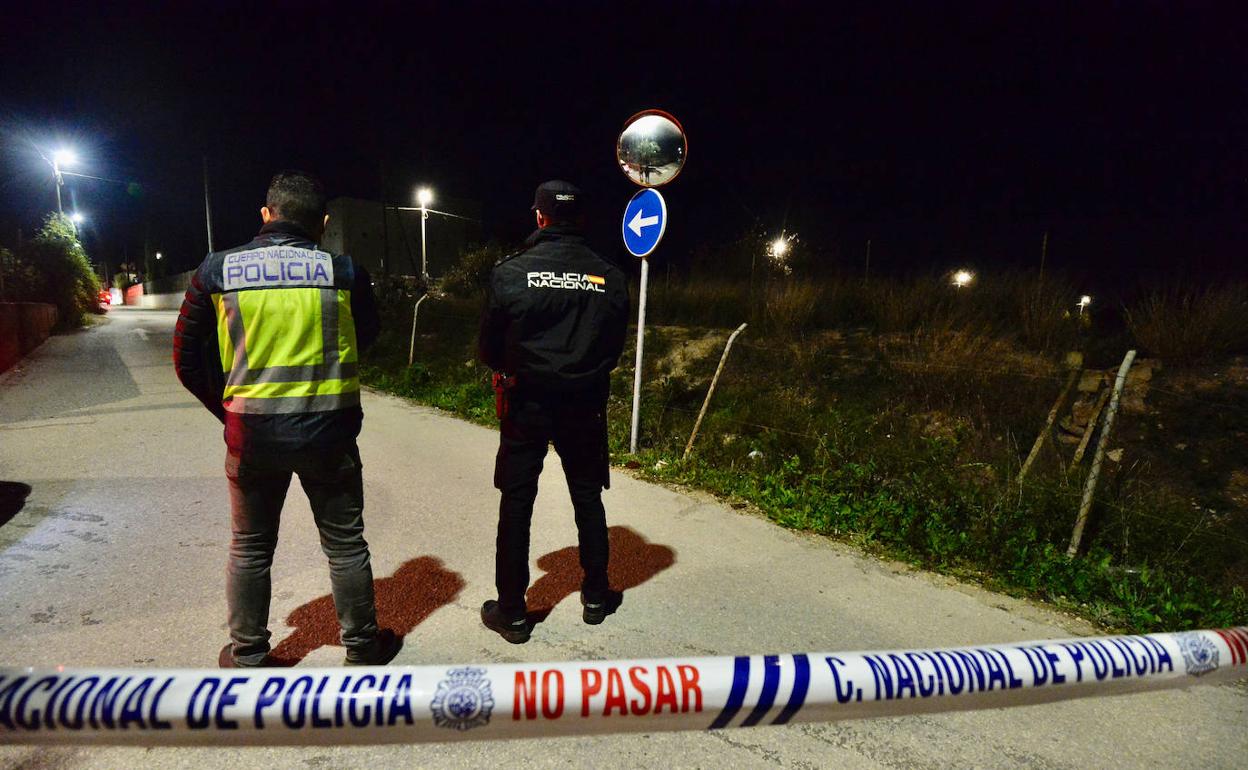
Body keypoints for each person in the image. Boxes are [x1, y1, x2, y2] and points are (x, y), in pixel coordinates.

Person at [173, 170, 399, 667]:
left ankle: (249, 652)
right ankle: (362, 645)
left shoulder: (217, 270)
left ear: (265, 215)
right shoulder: (343, 272)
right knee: (345, 545)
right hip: (330, 436)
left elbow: (187, 361)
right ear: (321, 223)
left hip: (252, 437)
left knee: (251, 547)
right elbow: (369, 336)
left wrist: (230, 410)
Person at [478, 180, 630, 643]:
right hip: (585, 405)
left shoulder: (511, 273)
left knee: (517, 503)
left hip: (527, 405)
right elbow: (614, 350)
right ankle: (596, 596)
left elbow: (489, 349)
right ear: (580, 220)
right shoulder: (610, 276)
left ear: (540, 217)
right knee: (587, 497)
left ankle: (513, 613)